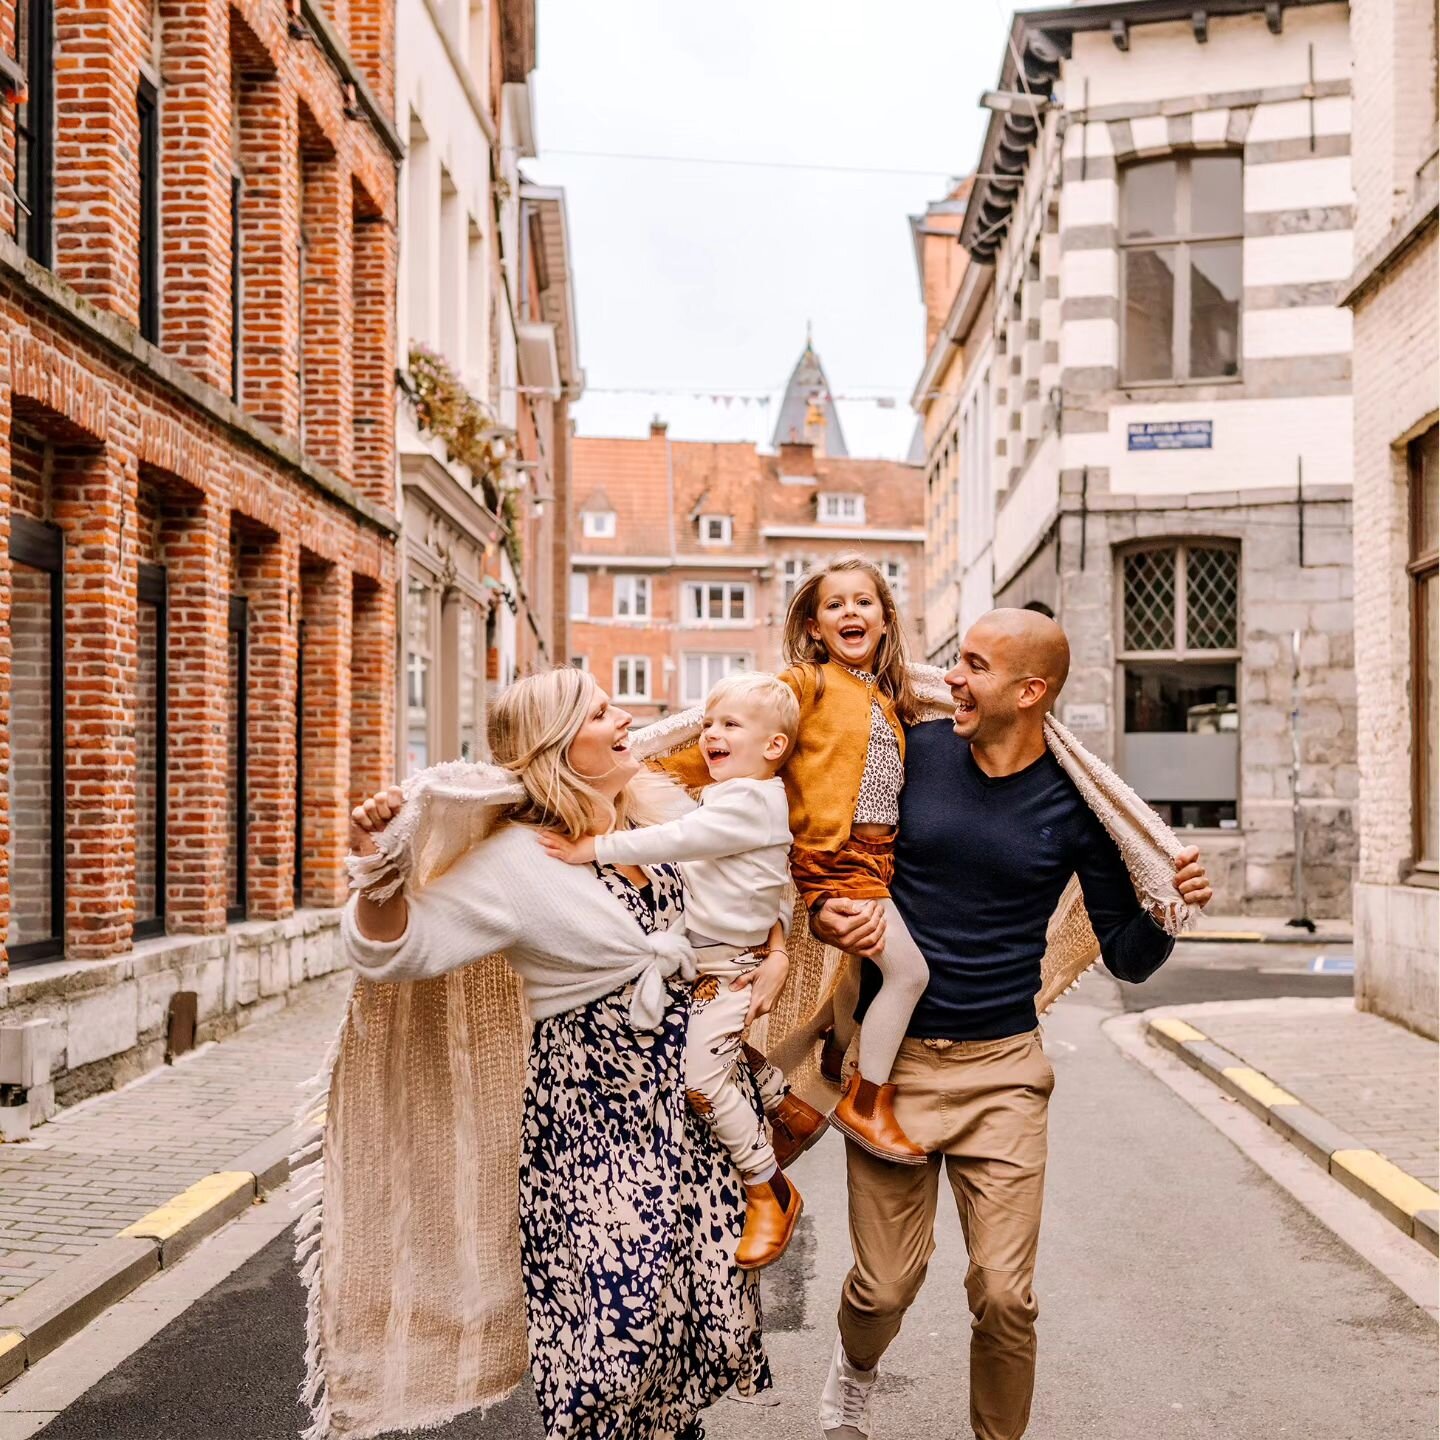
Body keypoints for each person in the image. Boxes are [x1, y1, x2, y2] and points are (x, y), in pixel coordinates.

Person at [810, 608, 1214, 1440]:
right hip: (896, 1067)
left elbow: (1128, 958)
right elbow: (832, 856)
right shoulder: (911, 756)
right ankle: (855, 1368)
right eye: (957, 660)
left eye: (974, 665)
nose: (952, 677)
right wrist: (828, 918)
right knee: (882, 1287)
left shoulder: (1074, 805)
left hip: (1003, 1071)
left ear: (1030, 693)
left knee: (1004, 1292)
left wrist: (1172, 908)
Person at [343, 667, 771, 1440]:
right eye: (604, 712)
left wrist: (769, 956)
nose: (628, 719)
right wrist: (380, 868)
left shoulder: (654, 817)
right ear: (558, 746)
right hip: (591, 1114)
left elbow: (749, 888)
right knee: (614, 1339)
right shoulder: (514, 861)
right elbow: (394, 952)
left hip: (687, 1112)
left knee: (684, 1328)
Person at [540, 670, 828, 1270]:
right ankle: (786, 1107)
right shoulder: (730, 793)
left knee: (702, 1076)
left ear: (774, 748)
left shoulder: (748, 800)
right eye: (706, 725)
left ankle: (766, 1186)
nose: (710, 735)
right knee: (707, 1048)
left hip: (726, 966)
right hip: (711, 961)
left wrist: (589, 849)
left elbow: (677, 841)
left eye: (729, 725)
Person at [664, 556, 934, 1165]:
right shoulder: (805, 682)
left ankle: (838, 1052)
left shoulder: (890, 699)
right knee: (910, 973)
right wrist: (660, 768)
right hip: (832, 857)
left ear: (886, 620)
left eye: (863, 603)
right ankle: (866, 1103)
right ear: (814, 626)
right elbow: (736, 726)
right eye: (834, 605)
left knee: (860, 966)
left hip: (877, 858)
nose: (850, 613)